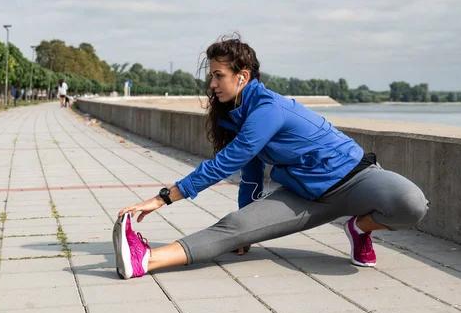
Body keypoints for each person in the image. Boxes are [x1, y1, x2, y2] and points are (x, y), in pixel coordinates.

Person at [114, 35, 429, 280]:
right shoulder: (238, 114)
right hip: (307, 196)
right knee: (234, 227)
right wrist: (247, 223)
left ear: (242, 76)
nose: (211, 84)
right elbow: (250, 174)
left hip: (357, 179)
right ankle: (145, 259)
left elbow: (228, 161)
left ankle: (360, 228)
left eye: (218, 76)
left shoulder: (269, 109)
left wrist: (163, 198)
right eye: (211, 76)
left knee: (412, 204)